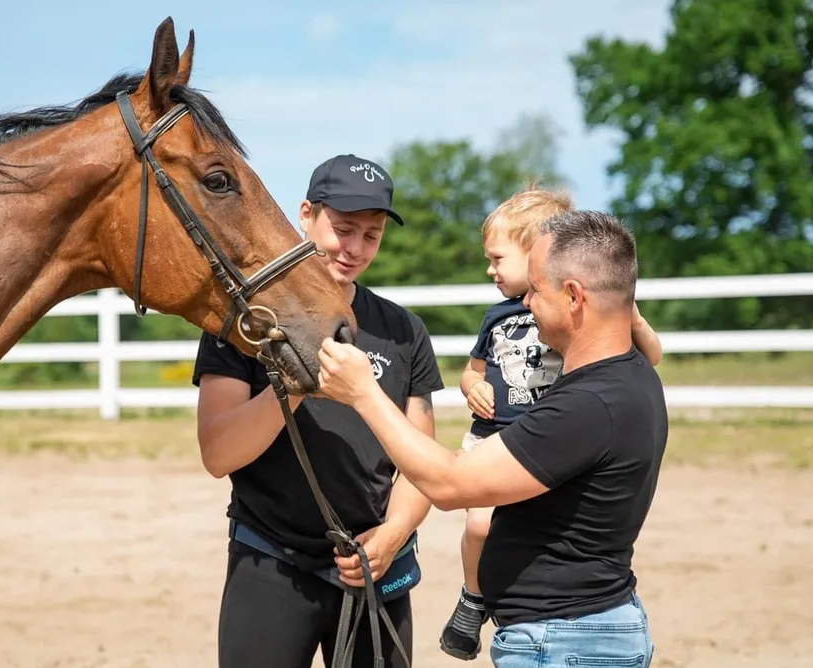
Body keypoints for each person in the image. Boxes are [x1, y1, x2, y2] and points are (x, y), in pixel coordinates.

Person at [317, 209, 669, 668]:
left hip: (563, 642)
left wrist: (363, 394)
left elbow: (450, 485)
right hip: (578, 631)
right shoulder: (630, 376)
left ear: (574, 296)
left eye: (537, 291)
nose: (525, 304)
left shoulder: (588, 406)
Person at [191, 153, 445, 668]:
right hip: (271, 559)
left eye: (370, 236)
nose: (354, 249)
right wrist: (297, 382)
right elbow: (218, 453)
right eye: (343, 228)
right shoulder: (246, 321)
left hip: (375, 565)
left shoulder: (403, 331)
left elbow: (421, 460)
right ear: (305, 214)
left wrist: (393, 536)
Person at [439, 187, 663, 661]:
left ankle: (472, 599)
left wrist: (630, 312)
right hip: (503, 432)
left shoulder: (595, 388)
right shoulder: (500, 318)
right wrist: (469, 386)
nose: (491, 270)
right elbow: (475, 368)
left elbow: (447, 486)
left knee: (480, 512)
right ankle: (474, 597)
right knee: (482, 523)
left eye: (500, 258)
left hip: (556, 635)